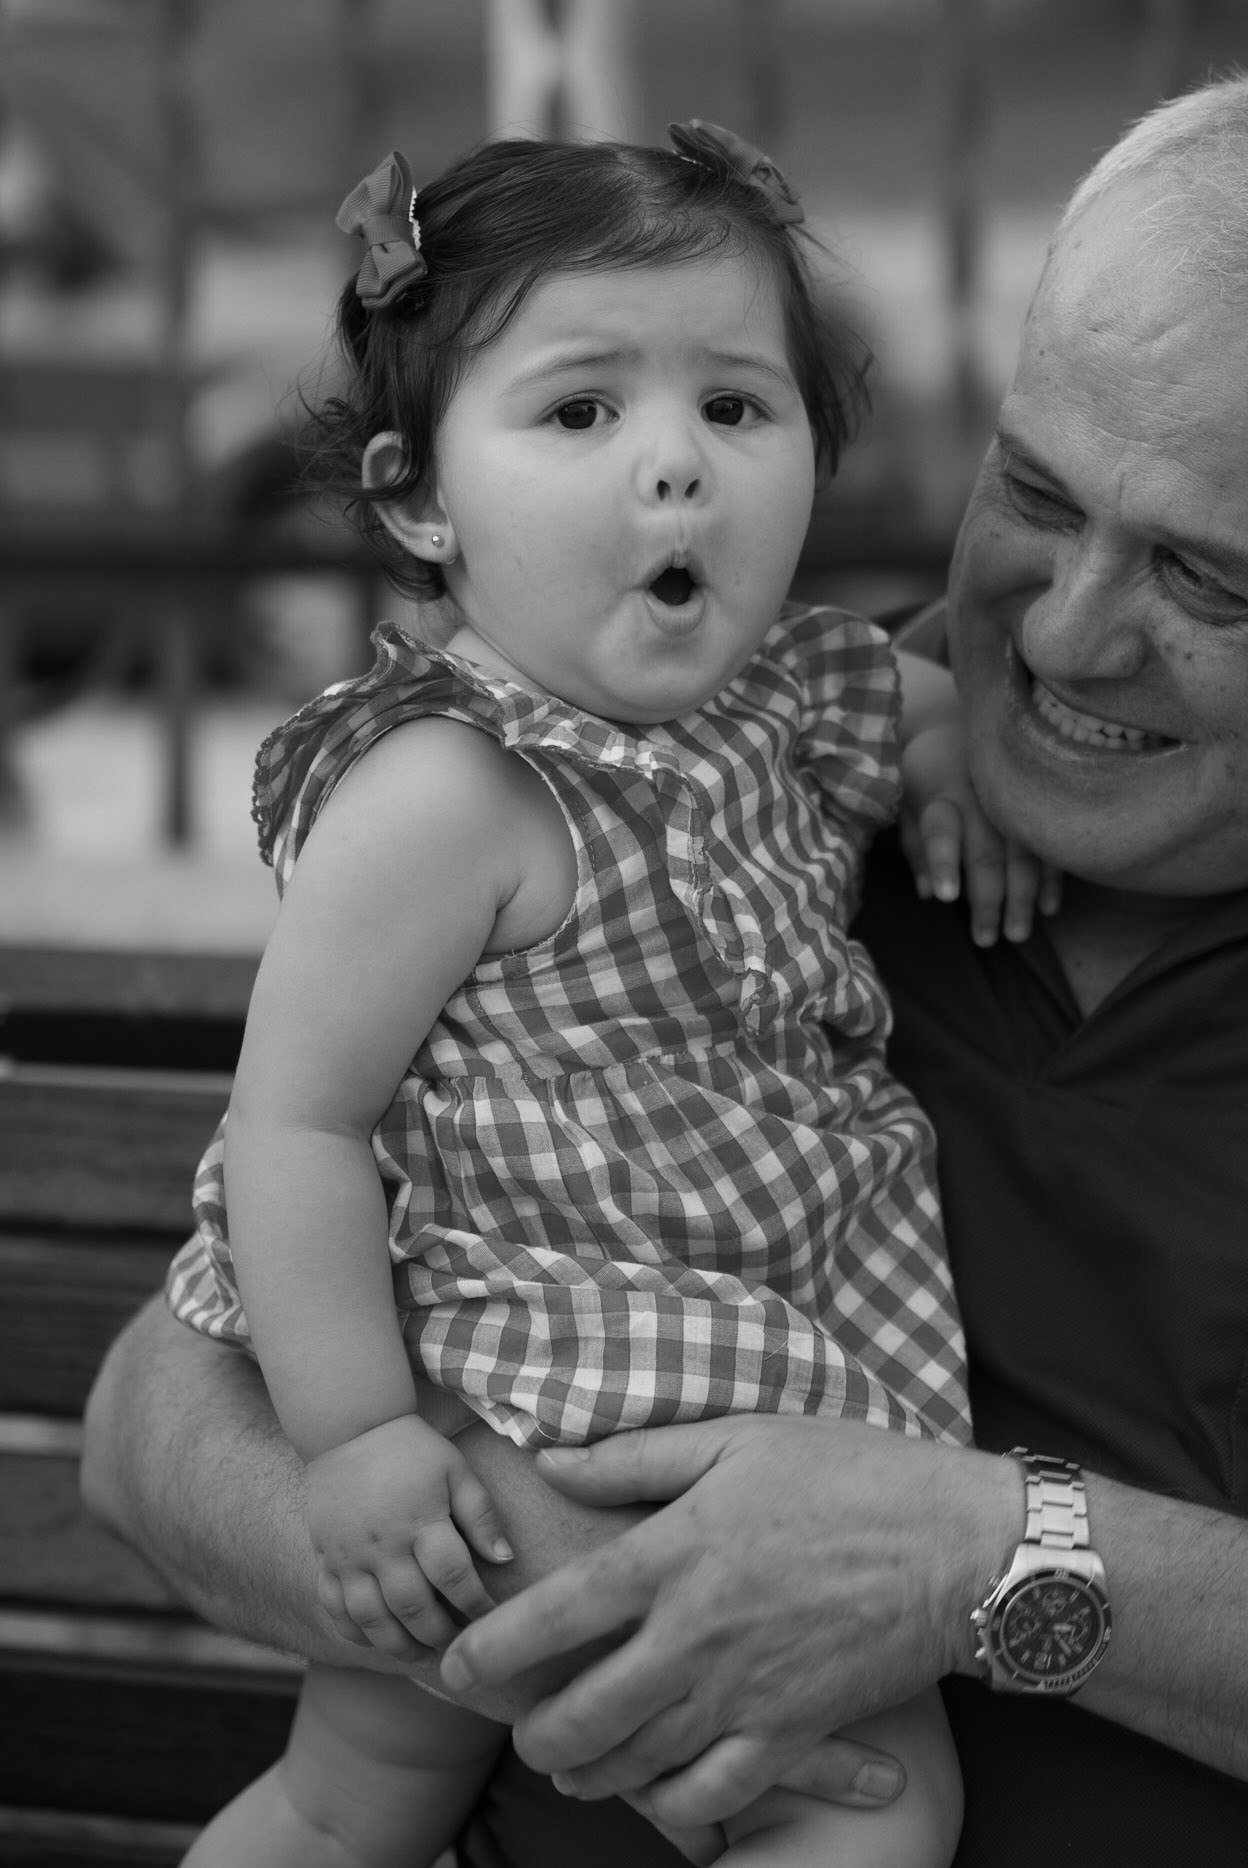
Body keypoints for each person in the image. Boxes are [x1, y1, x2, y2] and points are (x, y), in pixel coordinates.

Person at [83, 69, 1248, 1867]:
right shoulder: (743, 757)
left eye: (1208, 580)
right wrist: (543, 1579)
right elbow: (160, 1415)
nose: (1065, 639)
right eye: (1036, 494)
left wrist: (991, 1562)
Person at [158, 124, 1033, 1868]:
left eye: (735, 406)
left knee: (363, 1797)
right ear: (420, 499)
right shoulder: (448, 790)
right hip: (528, 1390)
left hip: (703, 1364)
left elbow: (922, 702)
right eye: (578, 412)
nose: (675, 465)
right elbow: (297, 1126)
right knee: (870, 1802)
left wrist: (949, 778)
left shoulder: (786, 693)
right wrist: (357, 1444)